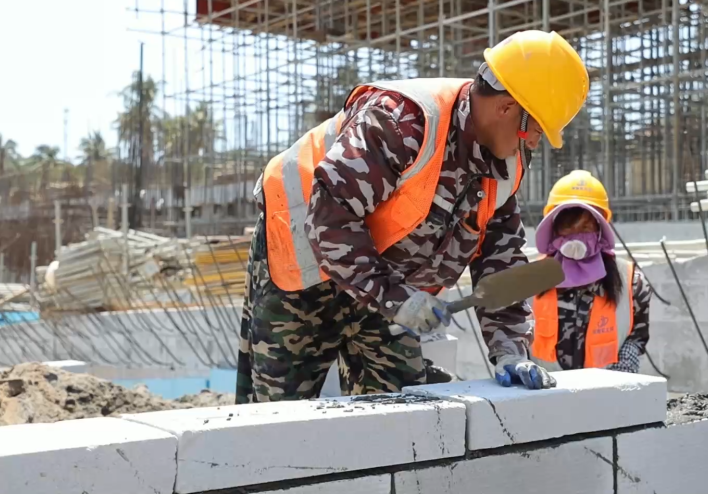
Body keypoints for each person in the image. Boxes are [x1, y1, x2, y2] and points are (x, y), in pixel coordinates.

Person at [236, 30, 590, 403]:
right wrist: (399, 301)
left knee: (401, 407)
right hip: (303, 268)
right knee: (282, 415)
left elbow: (499, 258)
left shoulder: (505, 163)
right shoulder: (400, 121)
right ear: (506, 108)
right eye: (536, 129)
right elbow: (331, 219)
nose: (534, 142)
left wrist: (510, 349)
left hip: (382, 283)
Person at [529, 170, 653, 373]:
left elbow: (637, 335)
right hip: (545, 389)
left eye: (585, 227)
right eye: (568, 227)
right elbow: (512, 332)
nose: (576, 236)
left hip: (606, 388)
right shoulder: (529, 280)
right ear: (554, 230)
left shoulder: (631, 281)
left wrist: (625, 363)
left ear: (600, 229)